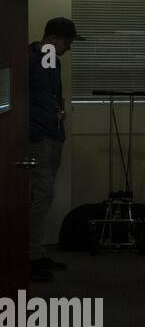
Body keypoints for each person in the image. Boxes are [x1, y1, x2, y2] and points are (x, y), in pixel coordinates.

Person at [28, 17, 83, 283]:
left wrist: (59, 114)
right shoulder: (28, 59)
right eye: (67, 41)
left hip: (53, 136)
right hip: (38, 137)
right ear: (54, 39)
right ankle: (31, 255)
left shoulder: (53, 62)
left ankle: (36, 251)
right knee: (41, 195)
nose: (69, 47)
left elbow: (54, 93)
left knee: (44, 196)